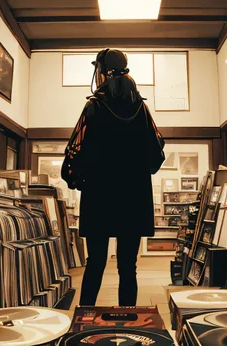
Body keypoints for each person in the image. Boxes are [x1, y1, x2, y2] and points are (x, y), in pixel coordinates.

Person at [62, 48, 165, 306]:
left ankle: (84, 320)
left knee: (95, 264)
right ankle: (128, 322)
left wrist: (79, 179)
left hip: (99, 197)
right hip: (134, 197)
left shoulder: (94, 106)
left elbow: (74, 152)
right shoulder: (141, 109)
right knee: (128, 267)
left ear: (102, 71)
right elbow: (157, 154)